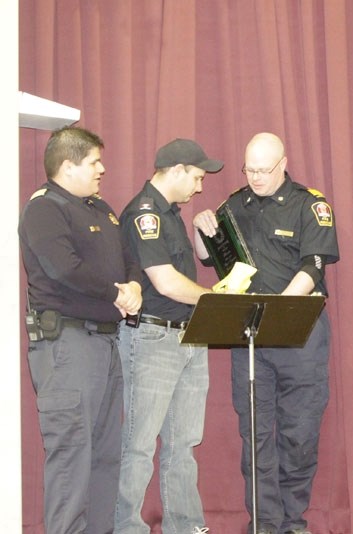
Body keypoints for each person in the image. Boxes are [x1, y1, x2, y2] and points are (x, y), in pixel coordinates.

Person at [194, 132, 340, 534]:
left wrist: (281, 312)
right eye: (250, 169)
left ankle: (292, 522)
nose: (255, 177)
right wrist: (199, 226)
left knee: (299, 433)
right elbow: (210, 258)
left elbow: (313, 268)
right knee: (255, 433)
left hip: (300, 331)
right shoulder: (235, 204)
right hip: (251, 335)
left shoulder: (310, 204)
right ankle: (263, 523)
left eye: (263, 170)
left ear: (282, 163)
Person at [19, 126, 143, 534]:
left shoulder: (100, 208)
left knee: (106, 455)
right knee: (72, 455)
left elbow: (128, 258)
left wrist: (134, 285)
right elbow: (63, 268)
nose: (102, 169)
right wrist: (116, 293)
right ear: (68, 166)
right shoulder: (44, 208)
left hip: (106, 343)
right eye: (94, 162)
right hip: (67, 346)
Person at [114, 138, 223, 534]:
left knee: (184, 444)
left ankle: (186, 526)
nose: (199, 186)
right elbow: (165, 283)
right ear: (176, 170)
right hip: (153, 339)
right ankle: (127, 527)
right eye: (196, 177)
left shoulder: (172, 215)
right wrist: (219, 303)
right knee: (139, 444)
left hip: (189, 336)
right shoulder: (145, 215)